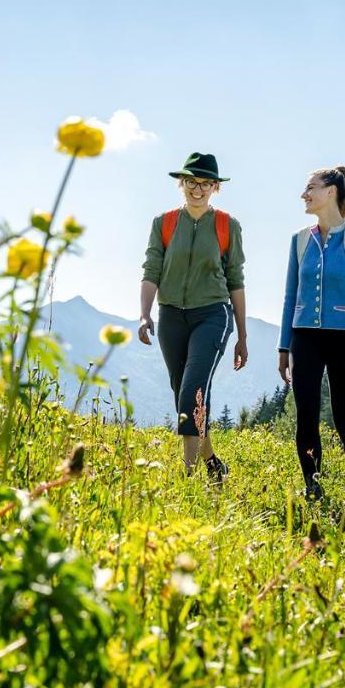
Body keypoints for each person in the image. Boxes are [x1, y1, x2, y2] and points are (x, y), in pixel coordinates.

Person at [138, 152, 248, 483]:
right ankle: (213, 464)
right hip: (171, 316)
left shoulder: (228, 225)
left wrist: (242, 336)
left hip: (213, 314)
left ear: (215, 187)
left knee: (192, 392)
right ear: (181, 183)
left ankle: (185, 481)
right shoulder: (164, 223)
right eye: (190, 182)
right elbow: (151, 269)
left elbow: (236, 281)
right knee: (184, 394)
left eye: (204, 183)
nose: (197, 189)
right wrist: (144, 315)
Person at [277, 166, 345, 502]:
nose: (304, 194)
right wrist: (284, 347)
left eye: (311, 187)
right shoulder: (299, 240)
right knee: (306, 415)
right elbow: (290, 297)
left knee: (344, 420)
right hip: (304, 337)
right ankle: (313, 486)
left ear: (332, 192)